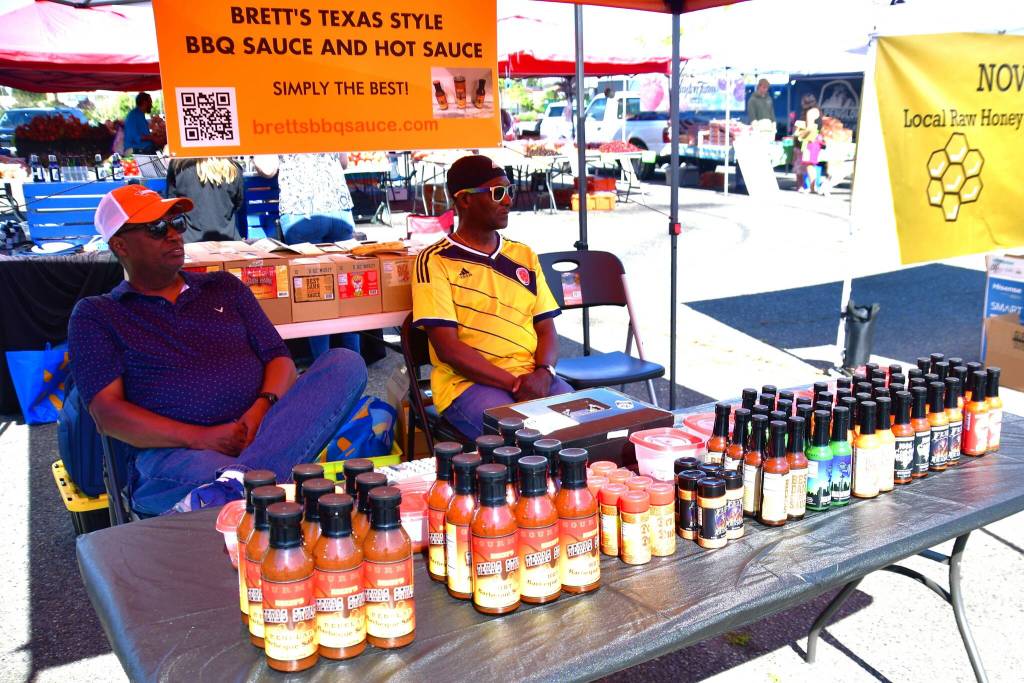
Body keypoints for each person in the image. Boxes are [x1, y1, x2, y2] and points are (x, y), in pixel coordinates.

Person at [68, 184, 367, 516]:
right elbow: (107, 414)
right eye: (156, 228)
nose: (173, 235)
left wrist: (260, 410)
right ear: (119, 245)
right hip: (174, 454)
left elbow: (278, 358)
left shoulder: (222, 286)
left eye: (177, 223)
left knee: (345, 363)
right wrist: (201, 437)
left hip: (262, 429)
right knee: (256, 480)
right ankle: (251, 485)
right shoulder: (98, 314)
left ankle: (239, 485)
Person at [412, 155, 573, 439]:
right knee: (528, 443)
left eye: (509, 191)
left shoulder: (524, 255)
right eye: (498, 193)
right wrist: (516, 385)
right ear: (464, 200)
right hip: (468, 386)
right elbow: (448, 349)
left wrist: (544, 372)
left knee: (585, 431)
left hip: (532, 378)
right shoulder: (434, 260)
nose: (508, 200)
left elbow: (546, 327)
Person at [254, 152, 359, 357]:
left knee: (313, 293)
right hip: (339, 206)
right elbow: (343, 162)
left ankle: (322, 367)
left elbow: (268, 169)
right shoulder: (327, 119)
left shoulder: (271, 124)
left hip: (301, 209)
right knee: (346, 288)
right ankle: (353, 362)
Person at [165, 157, 244, 242]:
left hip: (191, 241)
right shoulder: (234, 169)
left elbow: (172, 205)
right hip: (229, 239)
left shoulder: (178, 167)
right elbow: (238, 204)